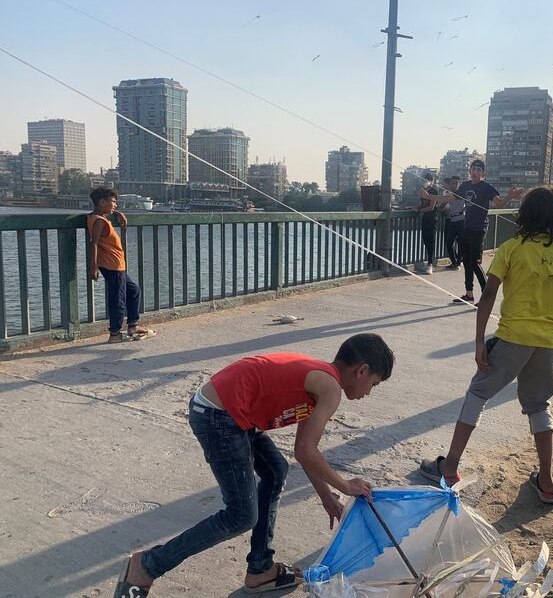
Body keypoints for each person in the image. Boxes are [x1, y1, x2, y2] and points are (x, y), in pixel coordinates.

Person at [113, 334, 394, 598]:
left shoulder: (322, 381)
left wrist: (327, 498)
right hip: (218, 415)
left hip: (233, 414)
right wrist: (345, 485)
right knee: (240, 515)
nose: (370, 392)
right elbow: (307, 452)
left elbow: (306, 452)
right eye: (375, 383)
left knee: (275, 472)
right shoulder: (330, 387)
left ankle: (260, 569)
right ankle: (147, 565)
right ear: (362, 370)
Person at [418, 186, 553, 504]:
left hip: (511, 339)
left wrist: (480, 340)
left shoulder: (511, 248)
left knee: (477, 394)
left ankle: (450, 467)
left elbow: (487, 297)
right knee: (539, 407)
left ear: (524, 216)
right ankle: (548, 482)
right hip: (547, 344)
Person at [419, 159, 523, 303]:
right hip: (466, 228)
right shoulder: (465, 185)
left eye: (478, 170)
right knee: (466, 261)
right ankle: (469, 294)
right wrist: (429, 197)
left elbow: (499, 202)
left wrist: (510, 197)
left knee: (475, 263)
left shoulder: (486, 187)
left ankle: (486, 296)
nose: (475, 172)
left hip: (479, 229)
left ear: (483, 173)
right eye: (473, 169)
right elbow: (449, 197)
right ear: (470, 171)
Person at [87, 187, 154, 343]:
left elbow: (103, 216)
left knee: (134, 291)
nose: (115, 205)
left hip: (116, 264)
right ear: (102, 202)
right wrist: (93, 266)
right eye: (113, 202)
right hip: (112, 265)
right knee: (118, 299)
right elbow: (94, 243)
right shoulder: (99, 222)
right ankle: (115, 334)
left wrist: (118, 214)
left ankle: (133, 325)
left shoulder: (95, 217)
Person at [416, 173, 438, 275]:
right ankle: (428, 262)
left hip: (432, 218)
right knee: (425, 239)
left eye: (428, 180)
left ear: (431, 181)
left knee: (430, 241)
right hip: (425, 218)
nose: (426, 182)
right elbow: (423, 204)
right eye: (425, 180)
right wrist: (415, 207)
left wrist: (420, 210)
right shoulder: (423, 191)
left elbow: (431, 207)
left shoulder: (434, 192)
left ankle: (430, 264)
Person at [441, 175, 465, 270]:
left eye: (456, 183)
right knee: (448, 242)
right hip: (452, 220)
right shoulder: (448, 195)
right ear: (450, 184)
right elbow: (442, 205)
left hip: (462, 220)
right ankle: (454, 262)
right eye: (452, 183)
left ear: (458, 184)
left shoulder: (462, 193)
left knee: (461, 243)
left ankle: (458, 263)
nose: (454, 185)